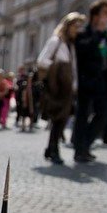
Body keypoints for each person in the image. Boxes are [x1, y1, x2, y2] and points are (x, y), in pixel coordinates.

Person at [37, 12, 85, 164]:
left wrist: (74, 84)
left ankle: (51, 148)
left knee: (62, 120)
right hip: (56, 87)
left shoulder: (71, 46)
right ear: (68, 26)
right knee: (58, 119)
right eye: (75, 26)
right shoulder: (55, 41)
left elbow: (74, 68)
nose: (77, 30)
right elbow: (42, 60)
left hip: (67, 89)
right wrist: (57, 71)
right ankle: (53, 149)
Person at [73, 0, 107, 163]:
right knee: (82, 115)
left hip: (102, 82)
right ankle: (79, 149)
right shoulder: (84, 34)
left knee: (104, 114)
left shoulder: (106, 36)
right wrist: (97, 34)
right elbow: (82, 56)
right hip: (86, 81)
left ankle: (86, 144)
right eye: (105, 13)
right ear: (95, 16)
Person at [15, 66, 32, 131]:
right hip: (21, 97)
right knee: (22, 112)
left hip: (27, 97)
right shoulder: (19, 78)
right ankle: (23, 125)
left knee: (29, 112)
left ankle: (30, 124)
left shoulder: (26, 77)